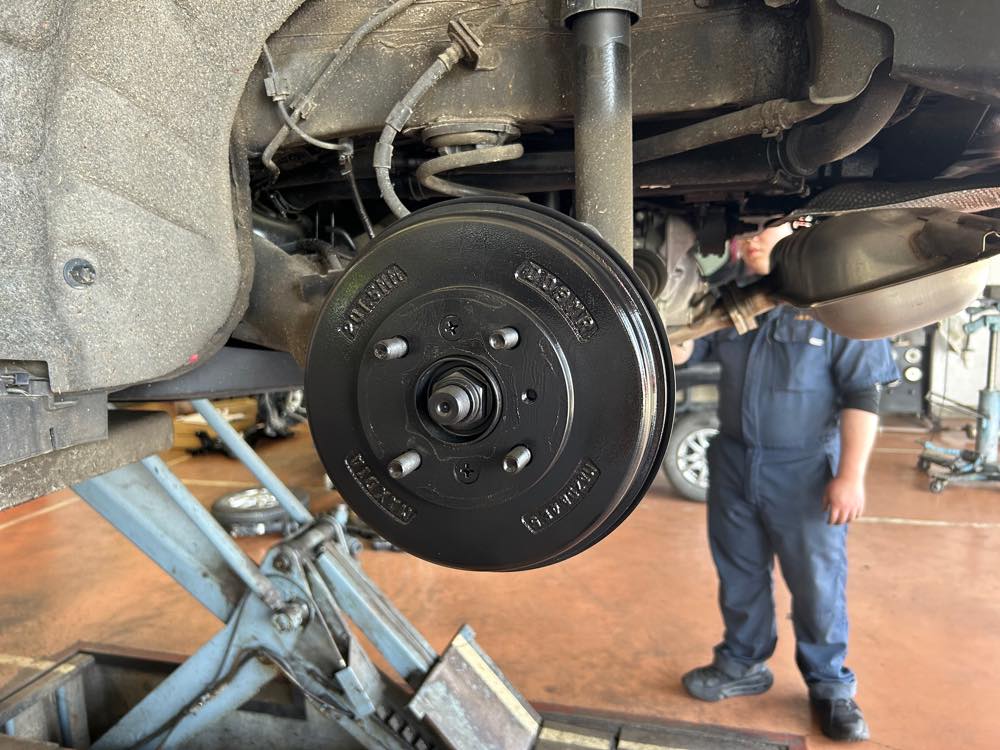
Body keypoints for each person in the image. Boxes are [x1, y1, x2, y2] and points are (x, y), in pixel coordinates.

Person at [672, 223, 899, 742]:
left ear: (798, 227)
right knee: (739, 573)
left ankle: (830, 685)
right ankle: (743, 661)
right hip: (734, 461)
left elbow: (862, 394)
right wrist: (671, 325)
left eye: (763, 228)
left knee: (817, 583)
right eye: (745, 231)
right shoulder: (732, 296)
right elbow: (691, 353)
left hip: (804, 469)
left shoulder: (836, 301)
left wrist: (850, 476)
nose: (749, 239)